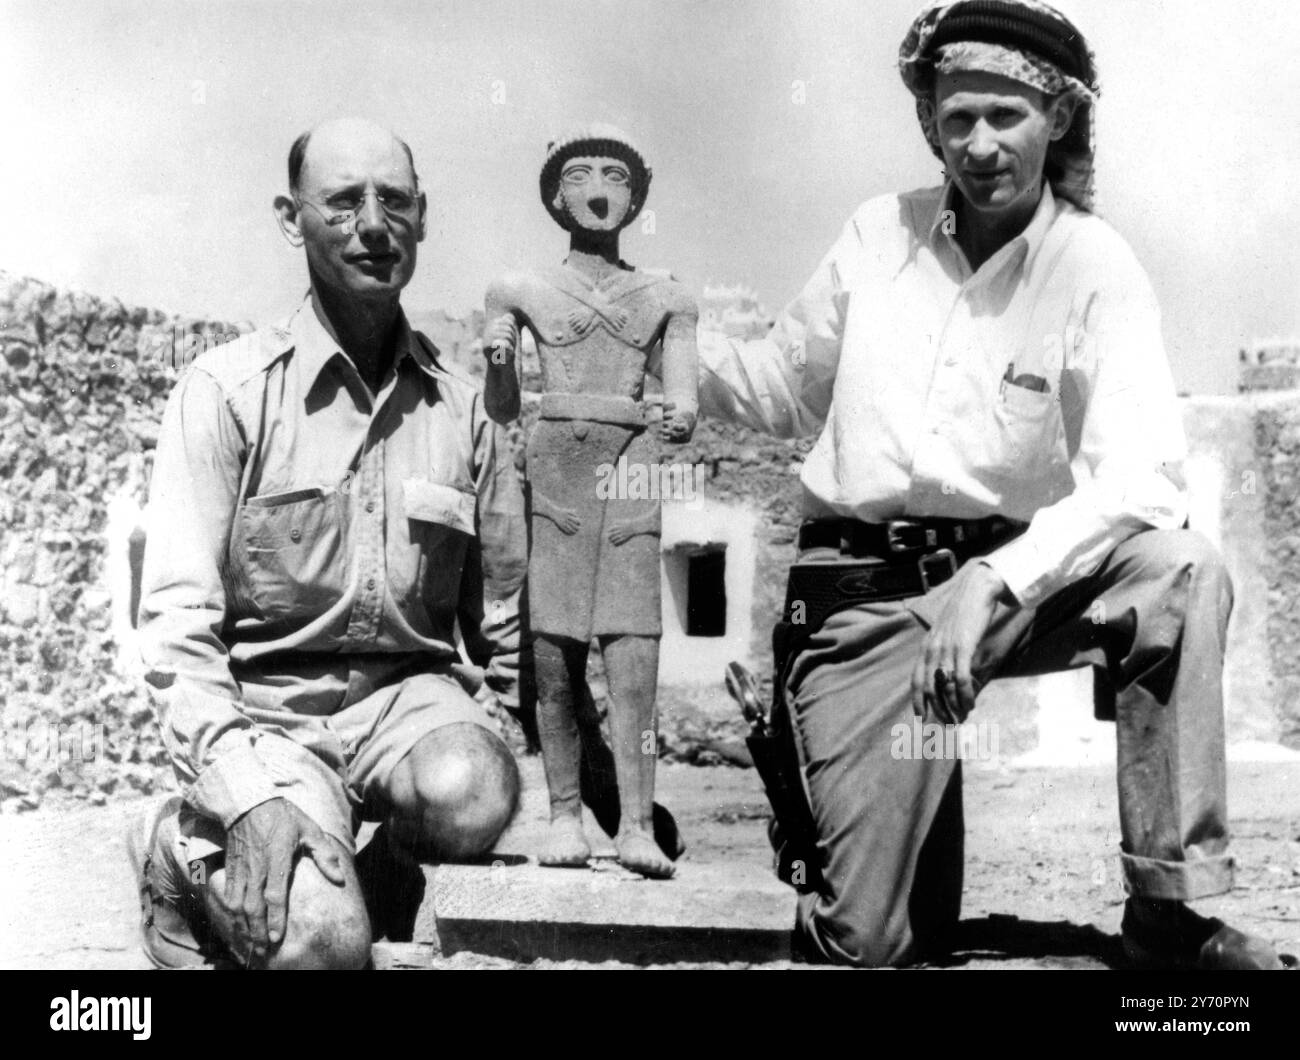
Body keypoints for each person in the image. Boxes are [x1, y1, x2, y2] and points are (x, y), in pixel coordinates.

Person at [697, 0, 1295, 969]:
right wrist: (672, 350)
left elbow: (1141, 471)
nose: (976, 145)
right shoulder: (873, 235)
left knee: (1177, 572)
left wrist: (995, 580)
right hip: (862, 600)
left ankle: (1171, 914)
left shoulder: (1093, 266)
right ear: (930, 119)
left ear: (1056, 118)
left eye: (1003, 117)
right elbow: (780, 383)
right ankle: (892, 848)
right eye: (955, 117)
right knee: (870, 943)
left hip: (1009, 594)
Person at [129, 118, 528, 969]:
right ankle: (176, 856)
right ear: (291, 218)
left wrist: (498, 733)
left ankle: (352, 870)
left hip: (407, 710)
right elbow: (172, 627)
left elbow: (499, 618)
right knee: (320, 946)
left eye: (396, 202)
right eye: (344, 202)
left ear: (423, 217)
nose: (374, 226)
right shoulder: (227, 394)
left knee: (477, 788)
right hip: (268, 717)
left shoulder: (462, 411)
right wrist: (243, 798)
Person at [482, 126, 698, 878]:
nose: (600, 189)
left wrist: (677, 414)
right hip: (560, 469)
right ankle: (565, 816)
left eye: (615, 176)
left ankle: (636, 825)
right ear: (555, 196)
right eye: (581, 176)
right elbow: (505, 408)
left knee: (634, 650)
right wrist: (500, 360)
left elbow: (684, 408)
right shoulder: (519, 290)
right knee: (554, 653)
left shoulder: (668, 294)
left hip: (632, 469)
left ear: (636, 197)